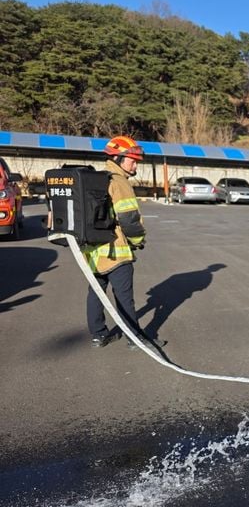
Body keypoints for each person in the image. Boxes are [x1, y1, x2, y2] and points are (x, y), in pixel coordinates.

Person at [84, 136, 164, 350]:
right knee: (124, 297)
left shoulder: (97, 178)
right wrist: (138, 240)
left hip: (93, 251)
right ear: (118, 159)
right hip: (116, 251)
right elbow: (129, 219)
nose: (135, 165)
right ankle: (135, 339)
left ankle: (99, 335)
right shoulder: (119, 182)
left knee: (96, 293)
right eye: (132, 160)